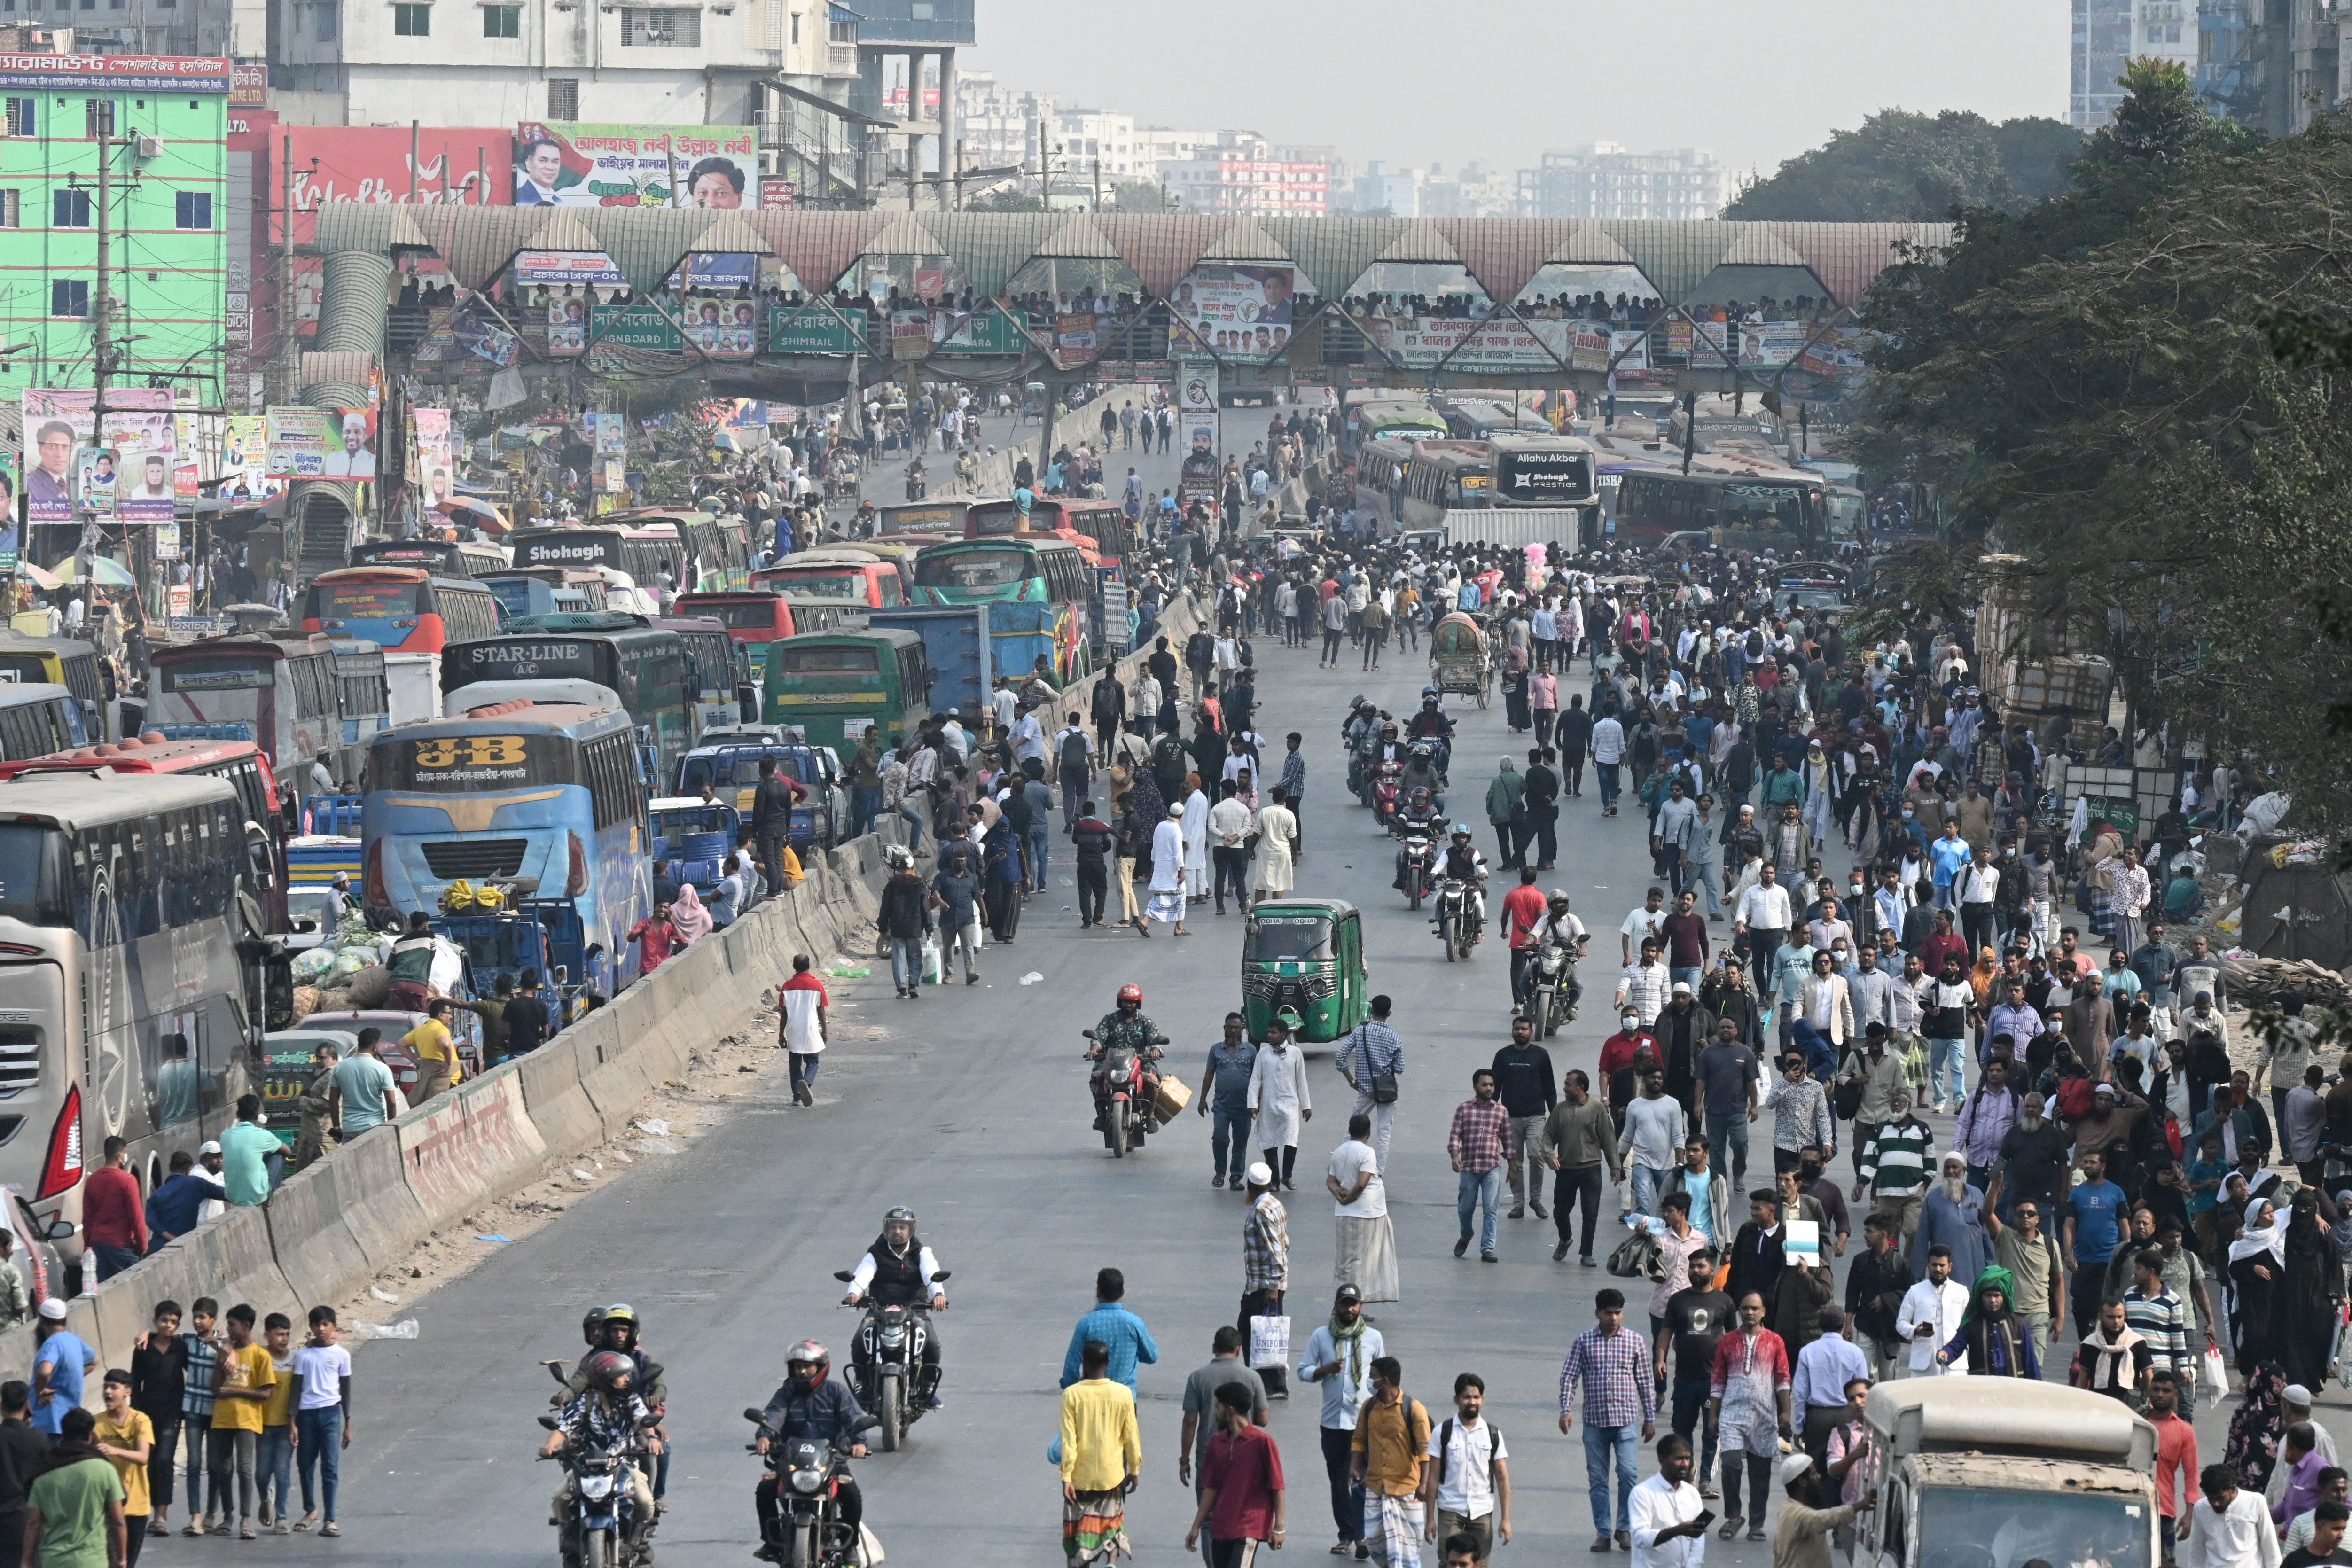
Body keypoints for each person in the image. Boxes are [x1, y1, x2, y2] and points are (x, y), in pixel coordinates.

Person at [1559, 1289, 1657, 1553]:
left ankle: (1624, 1528)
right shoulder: (1584, 1342)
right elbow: (1569, 1376)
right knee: (1598, 1479)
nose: (1613, 1318)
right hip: (1595, 1423)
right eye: (1608, 1313)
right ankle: (1603, 1533)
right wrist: (1565, 1409)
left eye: (1618, 1313)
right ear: (1597, 1314)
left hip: (1626, 1421)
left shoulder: (1635, 1341)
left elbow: (1646, 1382)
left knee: (1628, 1475)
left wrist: (1650, 1417)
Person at [753, 1341, 867, 1561]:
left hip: (832, 1460)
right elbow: (774, 1415)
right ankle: (771, 1542)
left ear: (821, 1367)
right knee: (765, 1489)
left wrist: (859, 1443)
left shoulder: (837, 1393)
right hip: (791, 1461)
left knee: (852, 1494)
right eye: (798, 1367)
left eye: (808, 1366)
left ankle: (850, 1545)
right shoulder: (786, 1393)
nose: (802, 1371)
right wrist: (765, 1437)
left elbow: (854, 1419)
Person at [1298, 1286, 1382, 1558]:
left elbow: (1382, 1376)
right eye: (1345, 1304)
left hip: (1363, 1422)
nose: (1350, 1310)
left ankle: (1361, 1537)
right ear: (1336, 1305)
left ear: (1361, 1305)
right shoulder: (1321, 1336)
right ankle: (1346, 1535)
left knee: (1361, 1481)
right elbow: (1303, 1371)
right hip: (1333, 1423)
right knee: (1338, 1481)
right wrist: (1325, 1370)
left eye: (1354, 1304)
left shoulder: (1374, 1338)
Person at [1708, 1291, 1792, 1542]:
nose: (1750, 1313)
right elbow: (1718, 1381)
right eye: (1745, 1308)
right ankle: (1734, 1516)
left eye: (1755, 1309)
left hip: (1764, 1415)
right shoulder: (1727, 1342)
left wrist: (1786, 1410)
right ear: (1739, 1311)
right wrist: (1713, 1415)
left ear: (1764, 1312)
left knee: (1760, 1473)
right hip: (1732, 1414)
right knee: (1731, 1464)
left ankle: (1757, 1523)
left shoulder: (1775, 1341)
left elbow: (1783, 1378)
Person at [1657, 1251, 1731, 1498]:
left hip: (1714, 1380)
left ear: (1712, 1269)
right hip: (1685, 1379)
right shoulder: (1678, 1300)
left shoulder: (1725, 1302)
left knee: (1712, 1431)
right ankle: (1686, 1474)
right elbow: (1666, 1331)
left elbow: (1733, 1339)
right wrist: (1660, 1358)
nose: (1695, 1271)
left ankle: (1706, 1480)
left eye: (1701, 1266)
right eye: (1692, 1267)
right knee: (1682, 1429)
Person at [1186, 1382, 1285, 1565]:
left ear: (1229, 1410)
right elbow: (1211, 1488)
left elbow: (1277, 1486)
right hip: (1221, 1527)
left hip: (1249, 1527)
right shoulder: (1217, 1443)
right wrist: (1196, 1526)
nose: (1216, 1413)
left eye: (1218, 1407)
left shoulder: (1263, 1442)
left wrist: (1279, 1527)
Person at [1418, 1372, 1509, 1562]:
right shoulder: (1442, 1432)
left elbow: (1502, 1477)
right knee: (1449, 1562)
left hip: (1482, 1512)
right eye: (1467, 1397)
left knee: (1479, 1564)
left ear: (1482, 1400)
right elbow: (1433, 1478)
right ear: (1457, 1400)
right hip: (1450, 1510)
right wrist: (1430, 1520)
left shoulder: (1492, 1434)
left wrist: (1506, 1519)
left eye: (1477, 1397)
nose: (1472, 1402)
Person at [1535, 1069, 1622, 1265]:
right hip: (1566, 1170)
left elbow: (1608, 1139)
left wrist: (1615, 1168)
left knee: (1590, 1213)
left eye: (1568, 1085)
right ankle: (1566, 1239)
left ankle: (1587, 1253)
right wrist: (1550, 1155)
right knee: (1560, 1211)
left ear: (1580, 1087)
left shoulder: (1596, 1109)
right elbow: (1548, 1135)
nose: (1565, 1089)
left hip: (1591, 1169)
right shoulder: (1560, 1110)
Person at [22, 1408, 127, 1568]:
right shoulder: (104, 1469)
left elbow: (34, 1523)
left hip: (54, 1560)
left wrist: (27, 1561)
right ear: (91, 1436)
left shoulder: (43, 1474)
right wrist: (122, 1561)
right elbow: (118, 1522)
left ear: (63, 1435)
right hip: (92, 1560)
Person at [1351, 1357, 1430, 1568]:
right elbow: (1359, 1440)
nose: (1369, 1380)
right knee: (1376, 1541)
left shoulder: (1414, 1409)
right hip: (1376, 1487)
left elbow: (1426, 1451)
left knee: (1407, 1546)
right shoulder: (1369, 1407)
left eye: (1372, 1377)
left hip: (1406, 1489)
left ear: (1385, 1381)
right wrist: (1354, 1467)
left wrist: (1424, 1484)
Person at [206, 1304, 274, 1540]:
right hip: (223, 1419)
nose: (229, 1329)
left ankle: (247, 1518)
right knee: (224, 1469)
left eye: (233, 1325)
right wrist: (221, 1364)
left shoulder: (260, 1356)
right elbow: (215, 1388)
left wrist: (235, 1393)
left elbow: (266, 1393)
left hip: (247, 1419)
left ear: (246, 1327)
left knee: (245, 1469)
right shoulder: (225, 1352)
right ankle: (228, 1516)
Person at [290, 1308, 349, 1536]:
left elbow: (346, 1390)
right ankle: (310, 1510)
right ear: (311, 1327)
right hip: (306, 1415)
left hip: (331, 1414)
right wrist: (292, 1422)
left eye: (326, 1324)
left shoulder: (342, 1355)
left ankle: (330, 1519)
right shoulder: (303, 1356)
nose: (321, 1329)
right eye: (317, 1325)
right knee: (305, 1464)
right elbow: (296, 1391)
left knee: (330, 1467)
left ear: (334, 1326)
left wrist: (348, 1423)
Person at [1330, 1114, 1399, 1305]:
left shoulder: (1338, 1151)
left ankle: (1342, 1302)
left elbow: (1331, 1181)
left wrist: (1339, 1195)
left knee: (1345, 1262)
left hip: (1344, 1214)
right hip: (1366, 1213)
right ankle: (1352, 1305)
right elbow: (1362, 1184)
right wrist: (1349, 1199)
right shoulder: (1367, 1153)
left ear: (1350, 1130)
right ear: (1369, 1133)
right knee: (1361, 1262)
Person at [1060, 1269, 1159, 1394]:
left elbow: (1072, 1364)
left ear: (1098, 1292)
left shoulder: (1087, 1323)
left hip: (1093, 1398)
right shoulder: (1133, 1323)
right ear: (1122, 1292)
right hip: (1125, 1398)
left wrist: (1071, 1388)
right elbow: (1152, 1356)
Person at [1239, 1164, 1290, 1399]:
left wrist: (1273, 1286)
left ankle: (1267, 1385)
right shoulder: (1274, 1204)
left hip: (1264, 1285)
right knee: (1268, 1333)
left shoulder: (1261, 1210)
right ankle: (1270, 1384)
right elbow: (1285, 1242)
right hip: (1264, 1282)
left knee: (1255, 1332)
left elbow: (1277, 1249)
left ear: (1250, 1187)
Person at [92, 1370, 153, 1565]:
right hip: (106, 1505)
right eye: (105, 1387)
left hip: (136, 1505)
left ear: (128, 1392)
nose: (107, 1392)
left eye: (114, 1387)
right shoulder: (95, 1423)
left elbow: (143, 1457)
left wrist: (114, 1450)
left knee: (127, 1563)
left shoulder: (140, 1420)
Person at [1337, 998, 1405, 1172]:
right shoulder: (1394, 1037)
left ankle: (1345, 1165)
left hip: (1364, 1089)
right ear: (1389, 1013)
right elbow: (1400, 1068)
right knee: (1384, 1132)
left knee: (1352, 1128)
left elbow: (1341, 1056)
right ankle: (1378, 1171)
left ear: (1372, 1011)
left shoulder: (1361, 1032)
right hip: (1386, 1091)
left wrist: (1351, 1080)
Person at [1449, 1070, 1509, 1263]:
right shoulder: (1464, 1109)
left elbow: (1508, 1141)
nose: (1489, 1089)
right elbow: (1455, 1135)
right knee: (1465, 1209)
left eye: (1491, 1085)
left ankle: (1488, 1248)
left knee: (1491, 1209)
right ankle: (1466, 1234)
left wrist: (1514, 1167)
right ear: (1475, 1086)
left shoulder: (1501, 1111)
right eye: (1485, 1085)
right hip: (1469, 1167)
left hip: (1492, 1167)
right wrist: (1455, 1156)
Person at [1773, 1451, 1867, 1568]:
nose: (1819, 1476)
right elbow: (1824, 1518)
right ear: (1803, 1482)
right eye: (1813, 1474)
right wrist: (1859, 1506)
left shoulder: (1788, 1508)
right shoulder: (1797, 1514)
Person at [1627, 1432, 1707, 1568]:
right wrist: (1677, 1531)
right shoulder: (1642, 1493)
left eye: (1688, 1459)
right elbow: (1640, 1538)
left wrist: (1692, 1564)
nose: (1685, 1464)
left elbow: (1698, 1538)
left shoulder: (1692, 1493)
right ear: (1662, 1459)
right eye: (1679, 1459)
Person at [1249, 1019, 1312, 1190]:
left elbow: (1302, 1081)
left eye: (1273, 1032)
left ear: (1284, 1034)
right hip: (1269, 1105)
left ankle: (1287, 1176)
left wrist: (1306, 1106)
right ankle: (1274, 1181)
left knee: (1291, 1140)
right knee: (1270, 1142)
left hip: (1290, 1104)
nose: (1269, 1036)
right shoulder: (1263, 1054)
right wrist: (1252, 1103)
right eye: (1269, 1032)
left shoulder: (1295, 1053)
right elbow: (1256, 1080)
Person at [1911, 1153, 1991, 1286]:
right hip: (1944, 1269)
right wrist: (1917, 1274)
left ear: (1964, 1170)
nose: (1951, 1171)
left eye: (1955, 1167)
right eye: (1947, 1168)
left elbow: (1986, 1234)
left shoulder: (1977, 1194)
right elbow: (1922, 1237)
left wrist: (1992, 1266)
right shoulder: (1933, 1198)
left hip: (1974, 1265)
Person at [2187, 1463, 2281, 1568]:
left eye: (2220, 1498)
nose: (2215, 1503)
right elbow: (2197, 1553)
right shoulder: (2201, 1508)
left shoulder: (2256, 1502)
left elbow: (2269, 1544)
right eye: (2211, 1499)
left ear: (2233, 1489)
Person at [1896, 1247, 1969, 1376]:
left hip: (1954, 1366)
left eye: (1942, 1265)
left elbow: (1969, 1325)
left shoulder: (1961, 1292)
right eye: (1934, 1265)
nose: (1938, 1269)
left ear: (1950, 1266)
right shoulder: (1915, 1291)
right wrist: (1916, 1331)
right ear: (1928, 1265)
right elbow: (1901, 1323)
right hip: (1923, 1366)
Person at [83, 1138, 147, 1281]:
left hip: (98, 1244)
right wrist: (142, 1245)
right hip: (122, 1245)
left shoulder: (92, 1180)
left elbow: (87, 1219)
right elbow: (136, 1216)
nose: (126, 1157)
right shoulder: (128, 1180)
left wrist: (88, 1246)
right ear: (119, 1156)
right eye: (125, 1153)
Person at [33, 1299, 96, 1441]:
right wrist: (72, 1375)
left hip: (50, 1421)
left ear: (42, 1321)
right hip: (70, 1421)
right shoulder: (73, 1340)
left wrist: (40, 1392)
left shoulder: (52, 1343)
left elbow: (44, 1371)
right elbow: (94, 1361)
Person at [327, 1030, 401, 1143]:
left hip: (350, 1129)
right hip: (374, 1129)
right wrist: (390, 1127)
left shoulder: (340, 1067)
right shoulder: (382, 1069)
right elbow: (391, 1103)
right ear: (375, 1046)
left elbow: (333, 1101)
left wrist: (336, 1127)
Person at [777, 954, 829, 1108]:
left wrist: (781, 1034)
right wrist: (825, 1031)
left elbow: (784, 1012)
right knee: (813, 1062)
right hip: (811, 1029)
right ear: (809, 966)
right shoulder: (818, 986)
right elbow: (821, 1010)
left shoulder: (787, 987)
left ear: (794, 967)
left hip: (793, 1029)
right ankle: (806, 1082)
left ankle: (797, 1098)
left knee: (795, 1065)